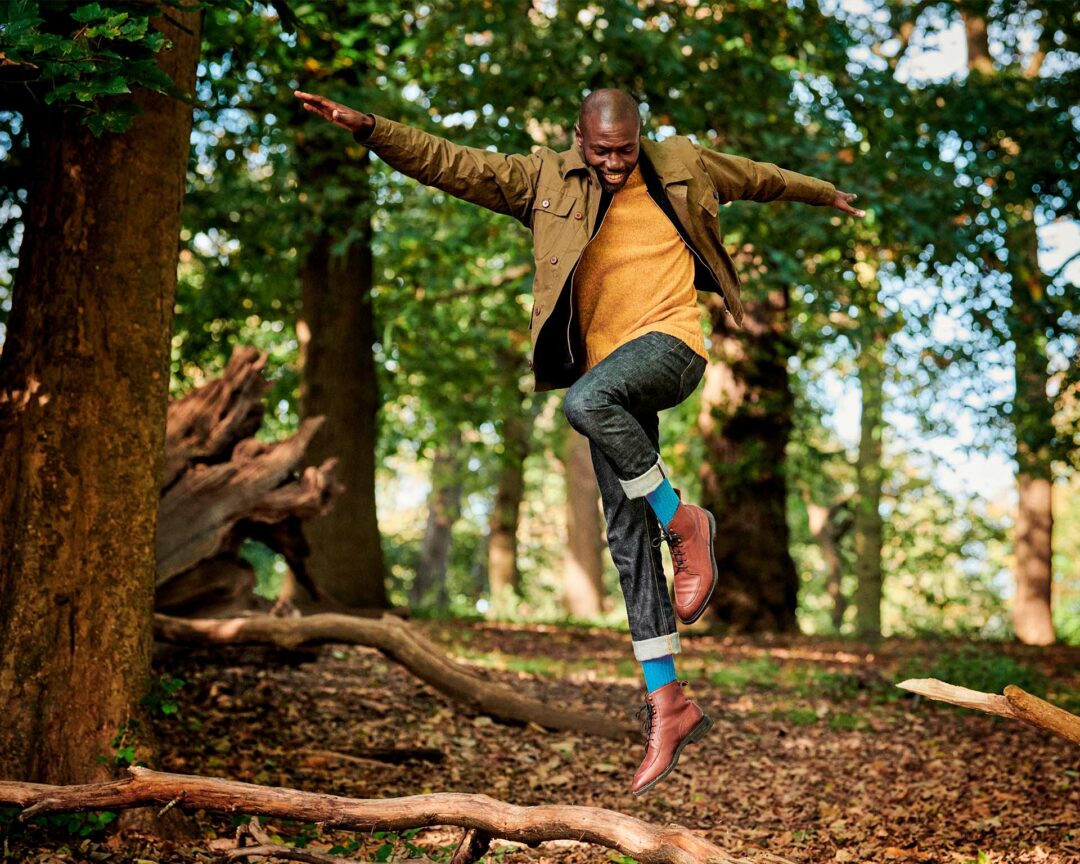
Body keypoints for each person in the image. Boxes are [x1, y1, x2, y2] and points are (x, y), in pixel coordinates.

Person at [294, 87, 866, 795]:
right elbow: (449, 162)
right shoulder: (542, 180)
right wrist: (373, 130)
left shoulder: (683, 164)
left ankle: (686, 521)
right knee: (626, 542)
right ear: (578, 140)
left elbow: (764, 177)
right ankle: (670, 703)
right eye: (602, 153)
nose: (616, 164)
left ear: (640, 137)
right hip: (610, 375)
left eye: (626, 150)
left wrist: (827, 192)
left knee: (586, 402)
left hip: (670, 348)